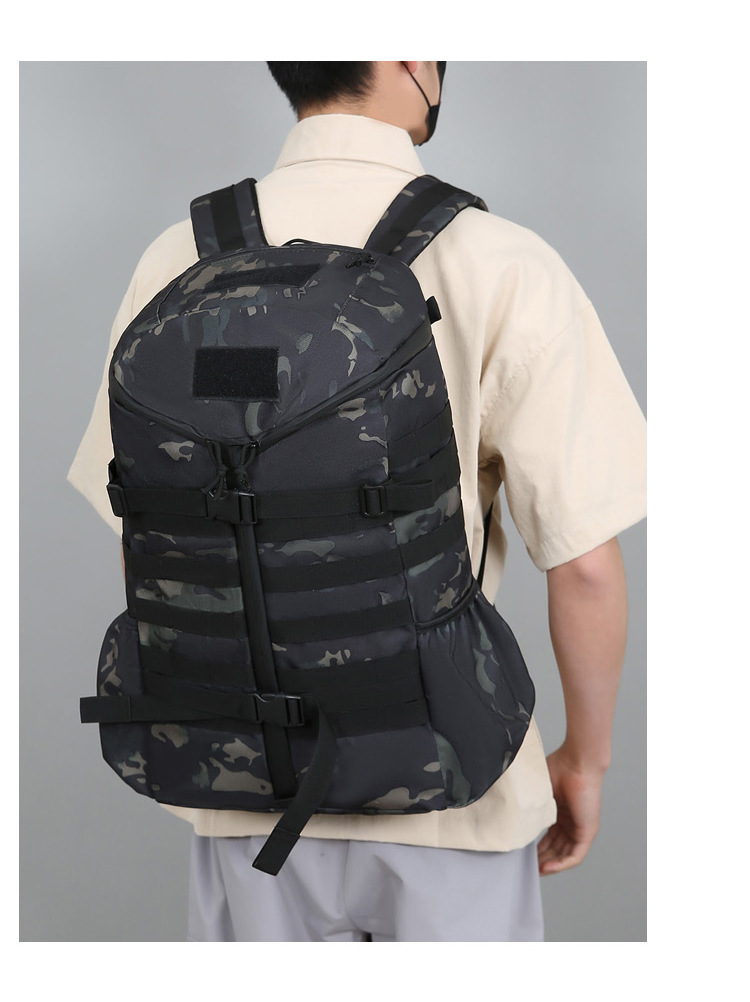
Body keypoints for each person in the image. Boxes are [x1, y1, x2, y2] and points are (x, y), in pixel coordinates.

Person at [68, 61, 646, 942]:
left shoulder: (177, 257)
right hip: (451, 783)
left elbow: (146, 534)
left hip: (241, 792)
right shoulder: (499, 260)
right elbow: (587, 567)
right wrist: (586, 762)